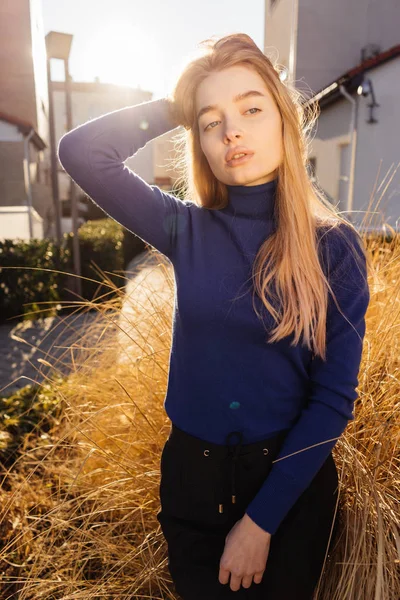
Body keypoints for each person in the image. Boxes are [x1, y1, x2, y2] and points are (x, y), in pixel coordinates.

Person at [57, 32, 370, 599]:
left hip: (288, 489)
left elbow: (332, 400)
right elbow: (81, 152)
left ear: (283, 120)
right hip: (192, 483)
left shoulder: (335, 247)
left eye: (251, 109)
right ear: (198, 141)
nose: (232, 131)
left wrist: (260, 523)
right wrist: (180, 103)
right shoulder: (185, 228)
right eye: (211, 121)